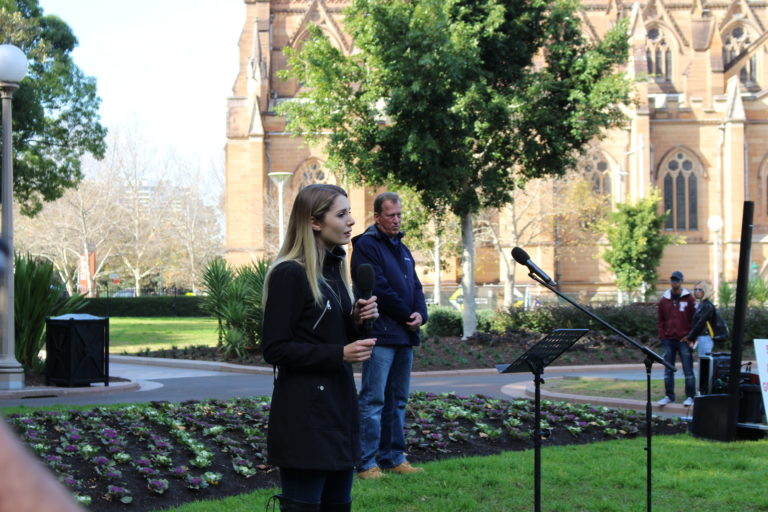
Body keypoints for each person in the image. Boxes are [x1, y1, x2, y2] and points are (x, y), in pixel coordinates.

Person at [262, 184, 379, 511]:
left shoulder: (334, 273)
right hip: (305, 420)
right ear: (315, 222)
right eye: (341, 214)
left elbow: (324, 333)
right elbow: (275, 348)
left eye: (349, 212)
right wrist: (338, 354)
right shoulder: (290, 274)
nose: (352, 221)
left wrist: (355, 321)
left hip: (338, 414)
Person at [351, 191, 428, 480]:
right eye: (391, 215)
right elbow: (378, 289)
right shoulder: (366, 246)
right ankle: (366, 463)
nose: (396, 220)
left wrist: (421, 314)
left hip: (404, 337)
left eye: (399, 215)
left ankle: (394, 457)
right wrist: (408, 314)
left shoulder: (402, 249)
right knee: (373, 401)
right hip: (381, 336)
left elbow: (416, 287)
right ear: (377, 217)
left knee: (397, 401)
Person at [657, 270, 696, 407]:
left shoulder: (689, 299)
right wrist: (663, 336)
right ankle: (669, 396)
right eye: (673, 280)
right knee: (668, 370)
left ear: (682, 281)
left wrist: (691, 337)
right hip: (669, 340)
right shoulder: (664, 300)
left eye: (677, 280)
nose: (675, 283)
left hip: (684, 340)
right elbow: (660, 320)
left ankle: (690, 396)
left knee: (688, 370)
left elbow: (694, 320)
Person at [682, 280, 716, 358]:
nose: (697, 292)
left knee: (704, 365)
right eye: (695, 289)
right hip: (701, 338)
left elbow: (701, 323)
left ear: (705, 291)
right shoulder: (702, 304)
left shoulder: (707, 305)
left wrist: (690, 337)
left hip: (705, 338)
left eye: (700, 289)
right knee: (703, 364)